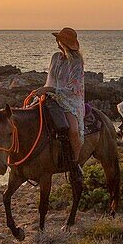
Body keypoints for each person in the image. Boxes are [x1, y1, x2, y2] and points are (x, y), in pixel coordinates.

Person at [33, 27, 85, 180]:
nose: (57, 43)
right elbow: (50, 79)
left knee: (73, 130)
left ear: (65, 43)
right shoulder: (55, 57)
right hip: (52, 95)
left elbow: (73, 87)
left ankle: (75, 164)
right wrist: (45, 91)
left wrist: (51, 89)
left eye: (60, 40)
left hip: (70, 99)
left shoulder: (76, 61)